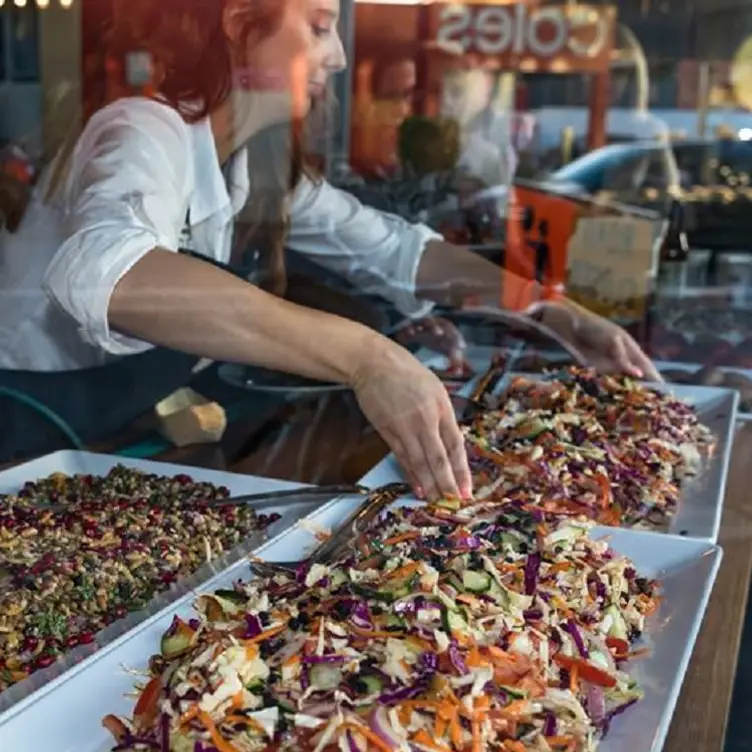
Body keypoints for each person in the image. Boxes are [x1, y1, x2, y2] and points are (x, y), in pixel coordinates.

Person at [0, 0, 658, 500]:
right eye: (318, 27)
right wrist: (369, 359)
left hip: (120, 433)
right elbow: (112, 273)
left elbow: (400, 252)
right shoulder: (140, 127)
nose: (338, 57)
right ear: (238, 20)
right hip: (30, 423)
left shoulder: (258, 169)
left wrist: (546, 306)